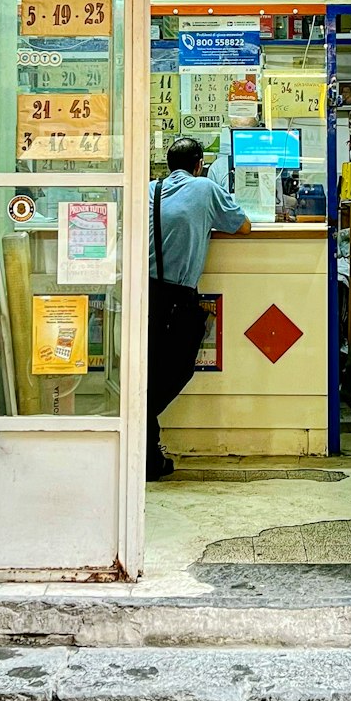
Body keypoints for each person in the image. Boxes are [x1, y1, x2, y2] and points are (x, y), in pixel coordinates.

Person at [147, 136, 251, 480]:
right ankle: (144, 427)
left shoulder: (151, 189)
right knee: (177, 369)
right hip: (178, 296)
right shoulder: (205, 188)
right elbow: (244, 225)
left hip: (145, 292)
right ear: (199, 165)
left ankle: (145, 439)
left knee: (149, 370)